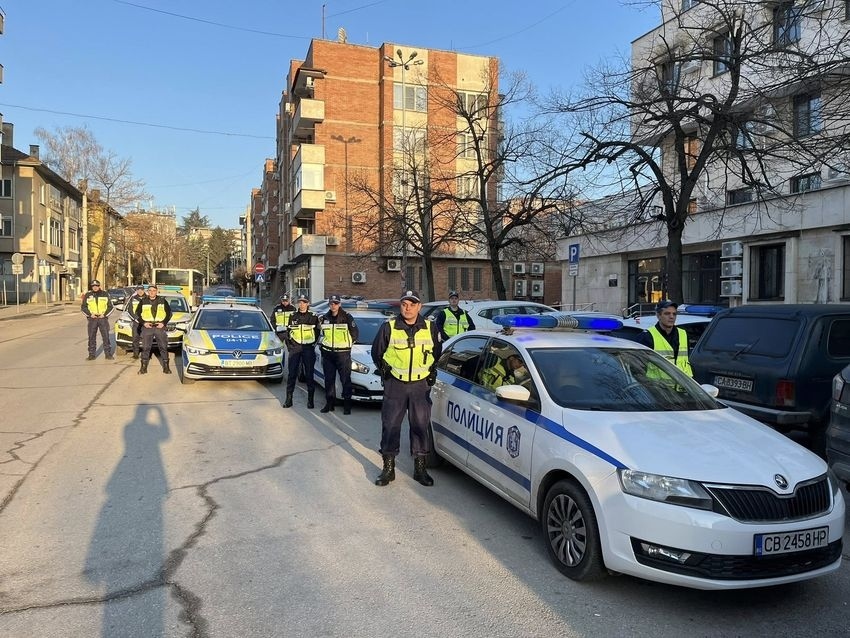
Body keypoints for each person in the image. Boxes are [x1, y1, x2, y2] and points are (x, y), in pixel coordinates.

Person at [371, 290, 442, 487]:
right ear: (400, 306)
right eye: (404, 304)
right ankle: (388, 469)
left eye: (412, 304)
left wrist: (430, 371)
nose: (408, 307)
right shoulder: (389, 327)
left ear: (420, 306)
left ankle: (420, 469)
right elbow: (377, 352)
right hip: (396, 385)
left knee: (420, 426)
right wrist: (385, 370)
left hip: (420, 386)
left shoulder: (430, 327)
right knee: (390, 426)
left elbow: (437, 352)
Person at [318, 294, 359, 414]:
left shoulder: (347, 317)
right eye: (331, 303)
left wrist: (347, 347)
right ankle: (329, 404)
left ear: (339, 304)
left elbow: (355, 334)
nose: (333, 305)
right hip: (328, 354)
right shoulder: (325, 317)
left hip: (342, 354)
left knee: (345, 380)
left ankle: (347, 405)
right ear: (329, 304)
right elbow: (321, 333)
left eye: (336, 303)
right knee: (329, 380)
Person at [637, 300, 693, 377]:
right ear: (658, 315)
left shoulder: (683, 334)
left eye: (674, 314)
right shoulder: (647, 336)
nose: (671, 317)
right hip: (657, 387)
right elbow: (638, 367)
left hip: (683, 387)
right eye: (667, 313)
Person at [283, 294, 320, 409]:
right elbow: (288, 332)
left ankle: (310, 400)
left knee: (309, 374)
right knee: (292, 374)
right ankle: (289, 399)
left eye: (304, 302)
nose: (302, 304)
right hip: (296, 348)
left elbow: (317, 333)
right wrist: (290, 346)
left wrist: (313, 344)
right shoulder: (293, 316)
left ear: (308, 303)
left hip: (308, 348)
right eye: (300, 302)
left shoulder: (313, 316)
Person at [134, 284, 174, 375]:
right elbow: (137, 314)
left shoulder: (162, 301)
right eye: (150, 290)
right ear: (148, 292)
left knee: (163, 347)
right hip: (147, 327)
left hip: (159, 327)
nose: (152, 292)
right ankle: (143, 368)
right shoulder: (143, 301)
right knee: (145, 348)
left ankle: (166, 367)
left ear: (157, 291)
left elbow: (169, 314)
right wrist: (144, 323)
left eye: (154, 290)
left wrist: (163, 323)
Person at [81, 279, 115, 360]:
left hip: (102, 319)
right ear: (91, 287)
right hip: (92, 319)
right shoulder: (88, 295)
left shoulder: (105, 294)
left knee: (106, 336)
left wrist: (104, 315)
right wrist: (90, 315)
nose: (95, 287)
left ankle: (108, 354)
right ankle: (91, 355)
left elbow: (111, 307)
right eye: (93, 286)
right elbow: (83, 307)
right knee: (91, 337)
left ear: (99, 286)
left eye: (96, 286)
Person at [126, 285, 147, 359]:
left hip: (146, 322)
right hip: (136, 322)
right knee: (135, 338)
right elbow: (130, 310)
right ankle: (135, 354)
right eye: (138, 289)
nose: (140, 291)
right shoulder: (133, 298)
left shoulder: (148, 298)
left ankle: (146, 354)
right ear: (136, 291)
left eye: (141, 289)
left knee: (146, 339)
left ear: (144, 290)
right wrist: (135, 319)